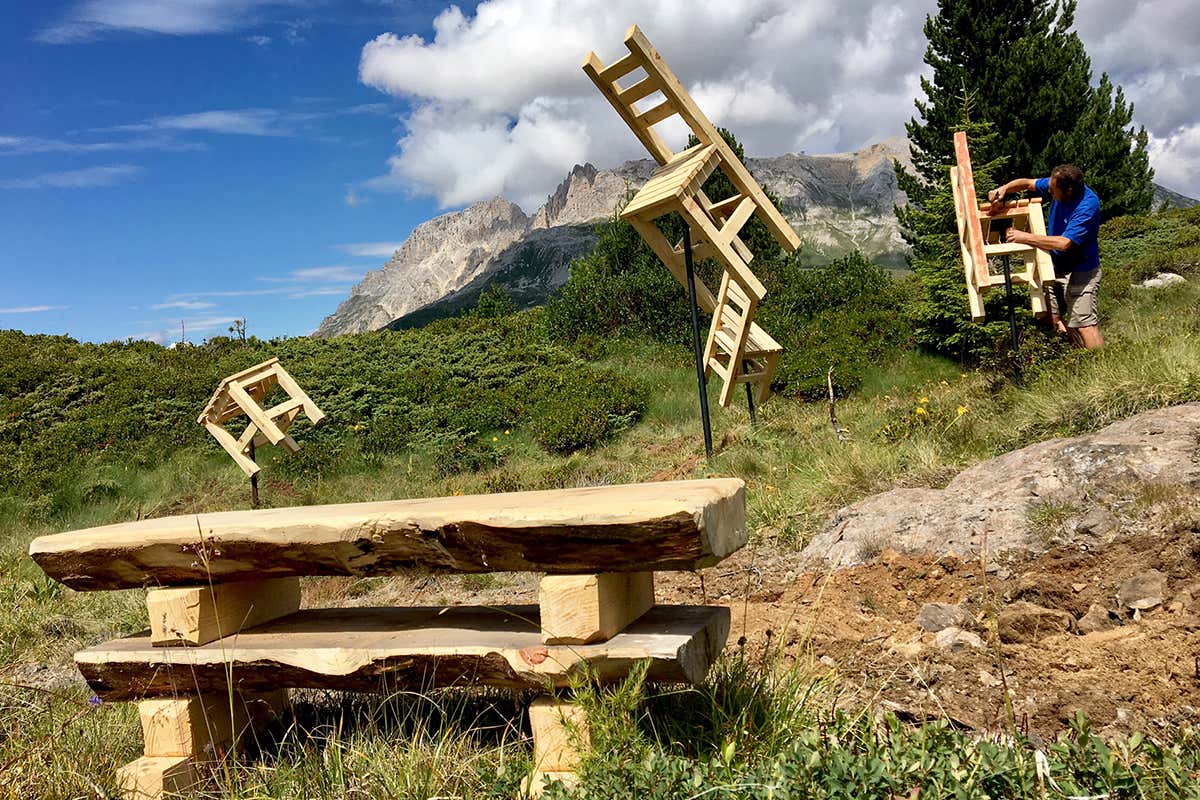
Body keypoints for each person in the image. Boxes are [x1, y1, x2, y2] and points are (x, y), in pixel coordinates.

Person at [986, 165, 1104, 349]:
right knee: (1053, 317)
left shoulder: (1087, 206)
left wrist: (1025, 237)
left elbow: (1065, 243)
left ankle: (1102, 363)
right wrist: (1004, 189)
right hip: (1056, 264)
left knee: (1084, 324)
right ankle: (1076, 353)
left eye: (1053, 190)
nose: (1049, 191)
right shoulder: (1058, 183)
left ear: (1068, 190)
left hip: (1082, 270)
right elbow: (1027, 183)